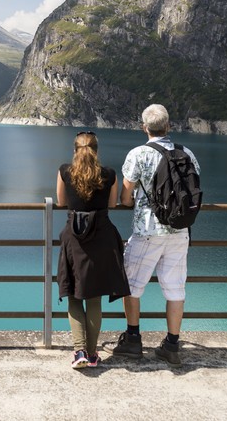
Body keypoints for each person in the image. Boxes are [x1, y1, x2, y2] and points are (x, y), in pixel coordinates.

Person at [112, 104, 200, 367]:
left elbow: (126, 196)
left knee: (131, 285)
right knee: (175, 289)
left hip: (147, 231)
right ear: (169, 127)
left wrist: (132, 200)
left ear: (144, 128)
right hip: (179, 231)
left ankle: (133, 339)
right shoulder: (186, 153)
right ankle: (172, 345)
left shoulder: (139, 154)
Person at [56, 130, 131, 369]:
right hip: (102, 237)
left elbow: (61, 202)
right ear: (97, 151)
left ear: (75, 150)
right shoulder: (108, 174)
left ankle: (79, 352)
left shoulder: (64, 171)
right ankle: (92, 354)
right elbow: (111, 204)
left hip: (74, 239)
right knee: (94, 297)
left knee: (74, 294)